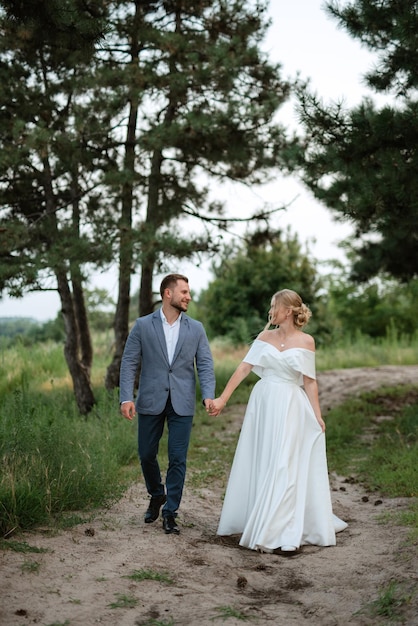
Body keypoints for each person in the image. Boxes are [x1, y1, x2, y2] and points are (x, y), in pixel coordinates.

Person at [209, 288, 347, 553]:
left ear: (288, 310)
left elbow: (309, 381)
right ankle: (264, 518)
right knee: (266, 461)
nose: (270, 311)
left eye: (274, 306)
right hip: (263, 404)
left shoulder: (307, 341)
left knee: (285, 464)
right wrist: (223, 399)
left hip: (290, 406)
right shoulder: (264, 337)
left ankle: (285, 533)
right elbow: (244, 368)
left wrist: (317, 415)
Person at [120, 273, 215, 535]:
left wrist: (208, 394)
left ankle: (170, 512)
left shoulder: (196, 328)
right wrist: (126, 396)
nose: (189, 296)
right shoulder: (142, 325)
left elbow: (205, 364)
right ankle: (156, 494)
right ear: (168, 294)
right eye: (184, 291)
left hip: (182, 401)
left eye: (189, 291)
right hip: (150, 399)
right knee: (146, 454)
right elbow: (129, 361)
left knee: (177, 458)